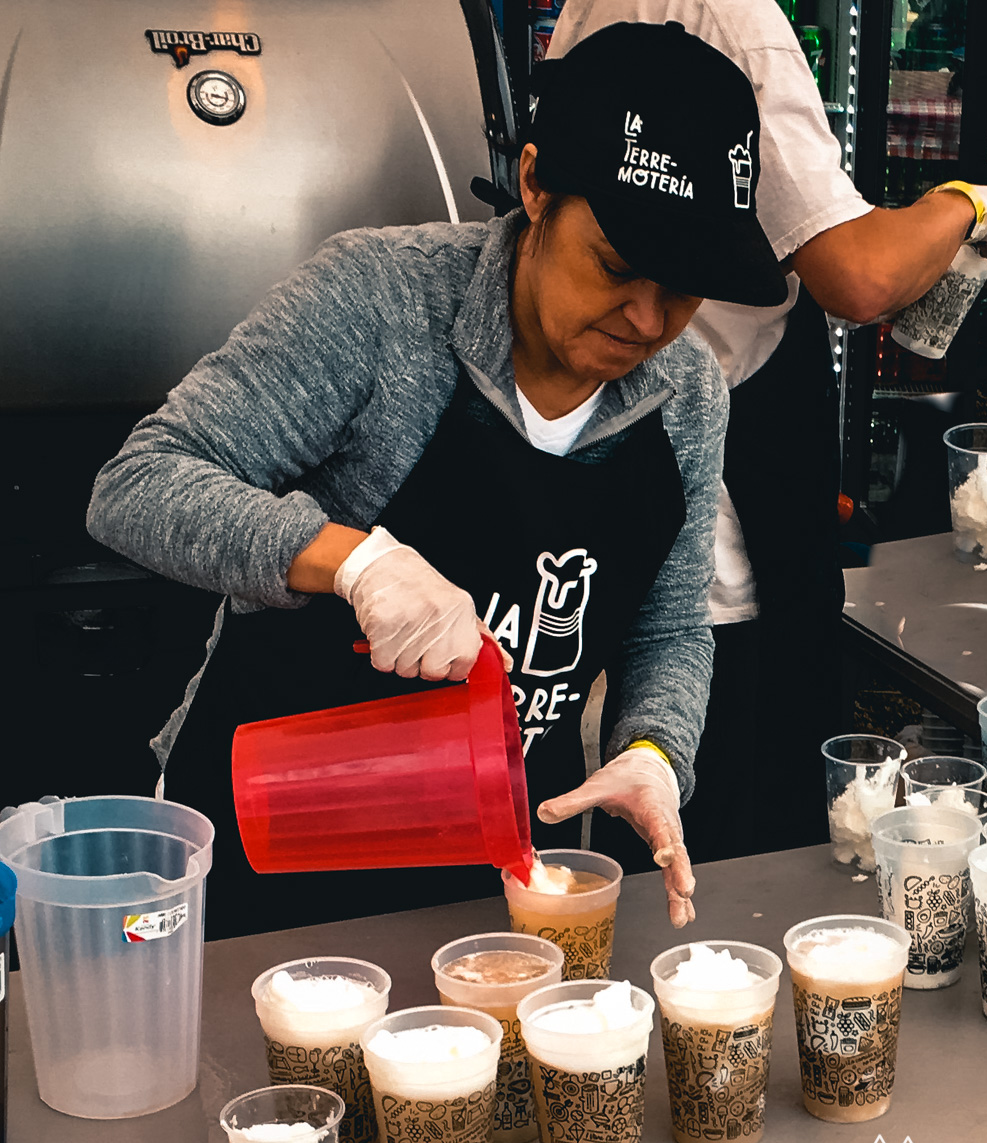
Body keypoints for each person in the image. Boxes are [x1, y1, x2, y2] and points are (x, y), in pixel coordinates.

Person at [86, 23, 788, 940]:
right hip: (275, 841)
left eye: (686, 286)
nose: (649, 318)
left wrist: (655, 749)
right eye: (616, 267)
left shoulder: (687, 392)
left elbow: (665, 623)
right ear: (535, 183)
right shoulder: (379, 299)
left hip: (499, 874)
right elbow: (136, 485)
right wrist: (353, 563)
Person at [549, 0, 987, 868]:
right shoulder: (728, 12)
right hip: (724, 507)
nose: (650, 307)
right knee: (737, 835)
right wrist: (968, 203)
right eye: (624, 270)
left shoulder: (594, 6)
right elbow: (858, 273)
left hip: (633, 468)